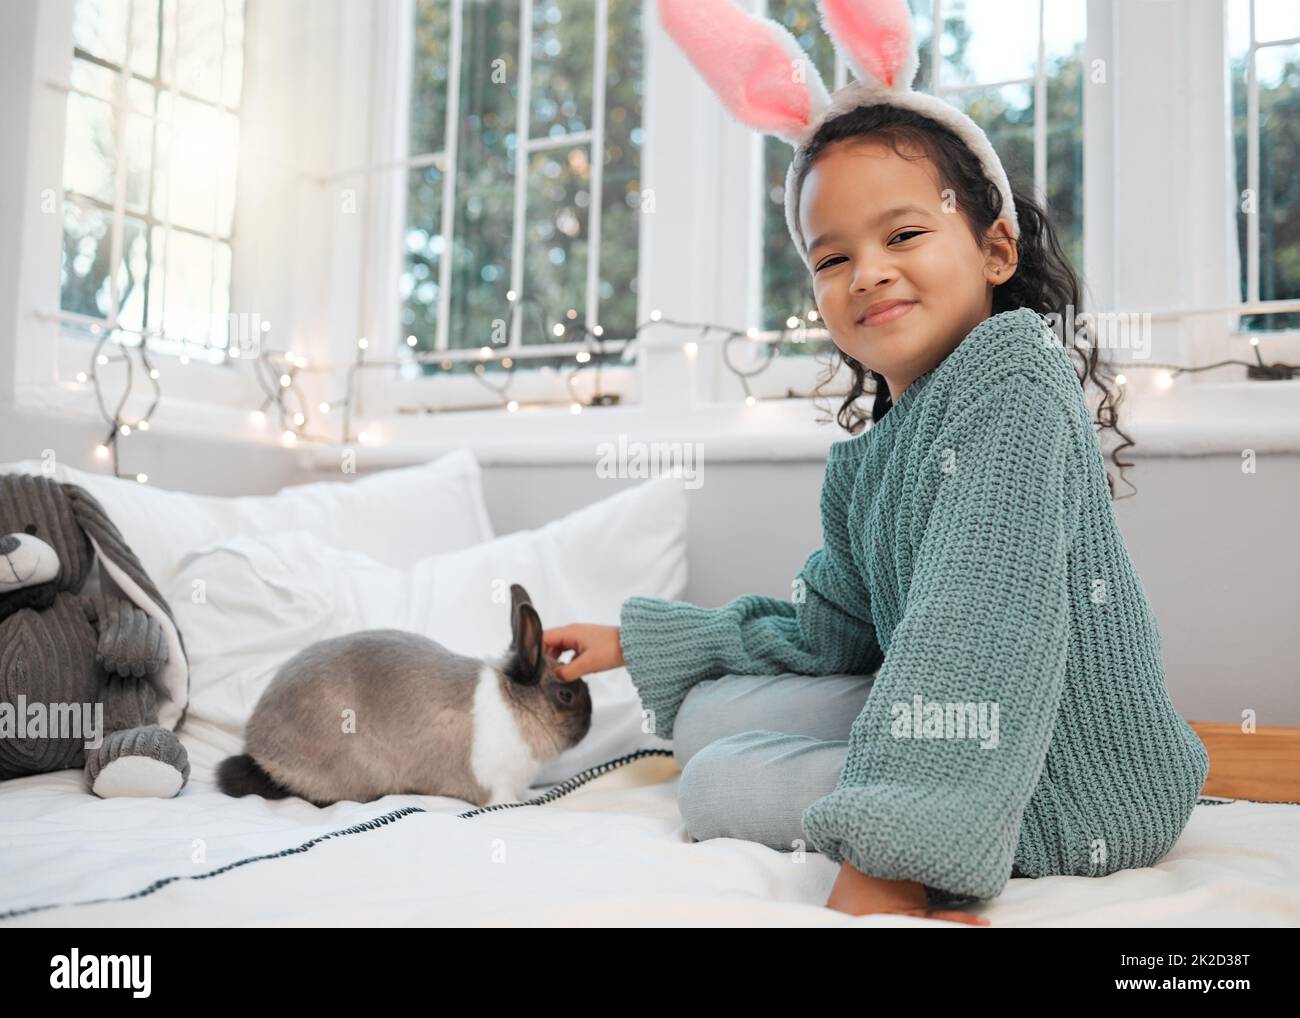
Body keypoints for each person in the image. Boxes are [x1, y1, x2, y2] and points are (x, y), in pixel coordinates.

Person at [544, 0, 1209, 925]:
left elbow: (976, 624)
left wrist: (895, 861)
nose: (867, 273)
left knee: (714, 785)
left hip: (1070, 777)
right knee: (702, 722)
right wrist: (644, 643)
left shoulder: (1014, 379)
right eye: (833, 257)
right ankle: (890, 774)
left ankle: (937, 811)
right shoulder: (872, 458)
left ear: (995, 247)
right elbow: (830, 639)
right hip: (959, 712)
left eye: (902, 236)